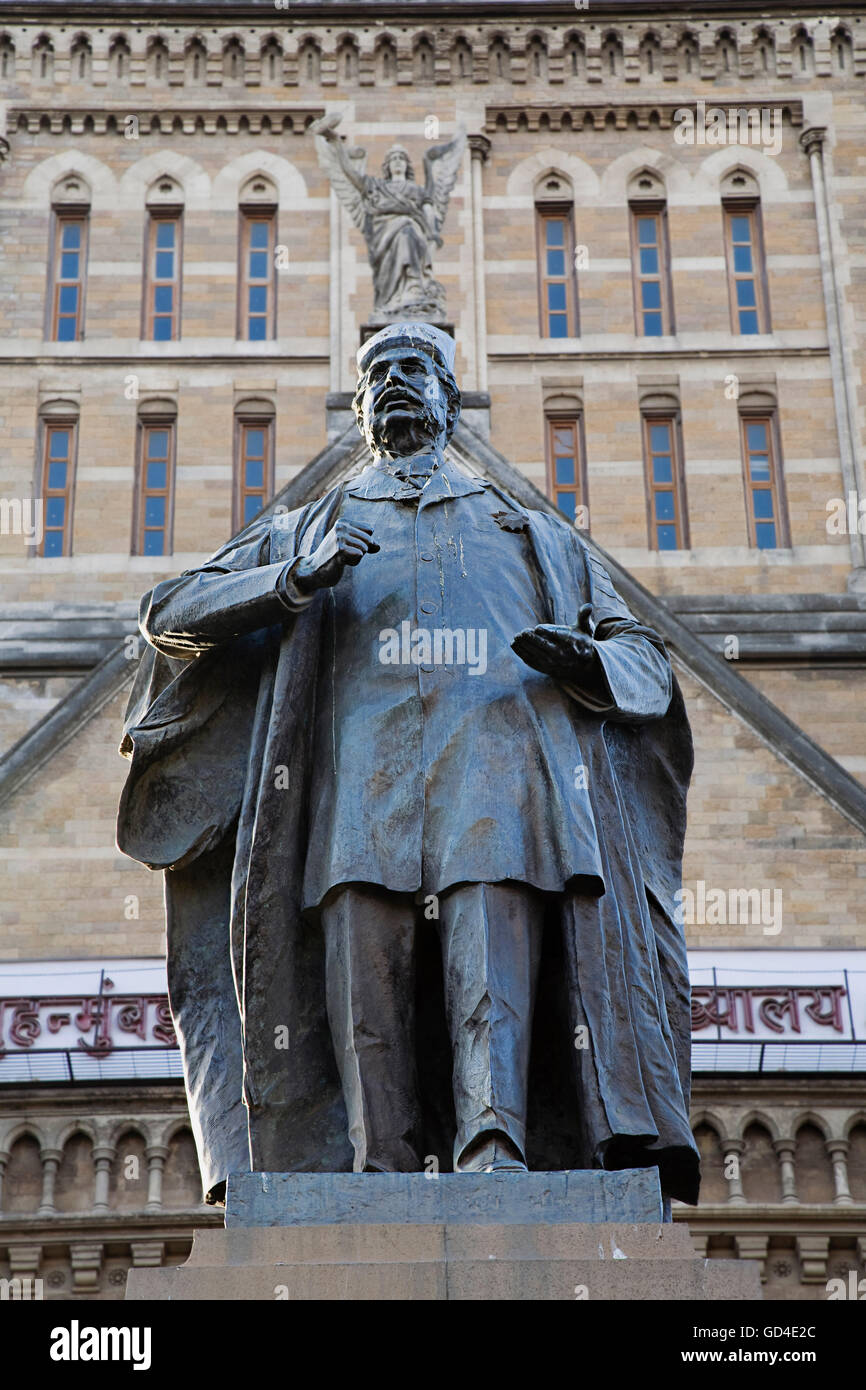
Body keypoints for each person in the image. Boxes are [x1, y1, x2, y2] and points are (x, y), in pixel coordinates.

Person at [118, 322, 700, 1204]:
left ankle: (495, 1150)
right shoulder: (307, 530)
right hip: (357, 794)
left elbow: (645, 661)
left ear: (449, 398)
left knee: (490, 981)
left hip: (501, 791)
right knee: (364, 990)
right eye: (377, 373)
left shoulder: (536, 536)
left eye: (414, 368)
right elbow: (169, 615)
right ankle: (372, 1173)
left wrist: (586, 662)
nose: (394, 381)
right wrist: (289, 584)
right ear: (358, 409)